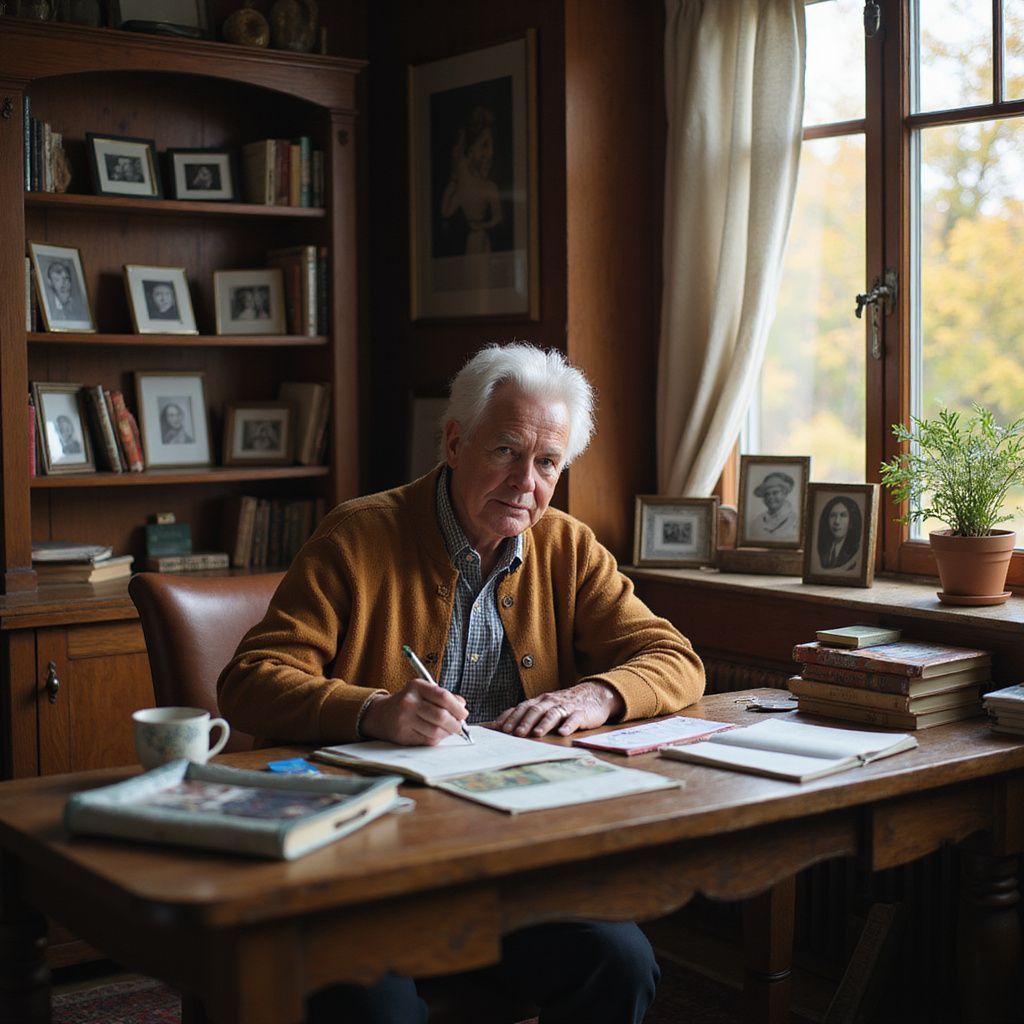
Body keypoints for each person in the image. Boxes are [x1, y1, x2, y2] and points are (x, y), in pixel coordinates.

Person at [218, 343, 705, 1024]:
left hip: (512, 861)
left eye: (546, 464)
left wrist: (594, 694)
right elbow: (249, 682)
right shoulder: (357, 537)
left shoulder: (568, 547)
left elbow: (673, 658)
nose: (525, 483)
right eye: (505, 451)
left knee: (619, 964)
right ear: (454, 441)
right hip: (364, 870)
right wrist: (375, 711)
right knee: (379, 1013)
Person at [439, 105, 503, 255]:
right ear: (470, 150)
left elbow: (498, 217)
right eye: (485, 146)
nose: (490, 154)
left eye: (491, 146)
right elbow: (446, 211)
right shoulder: (464, 184)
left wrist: (484, 226)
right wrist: (453, 181)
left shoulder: (490, 187)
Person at [749, 470, 797, 542]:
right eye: (767, 494)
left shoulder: (795, 521)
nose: (770, 497)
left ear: (785, 494)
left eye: (775, 493)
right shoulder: (757, 522)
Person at [817, 495, 862, 570]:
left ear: (851, 521)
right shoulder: (824, 548)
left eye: (843, 515)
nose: (837, 521)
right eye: (833, 515)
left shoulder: (854, 550)